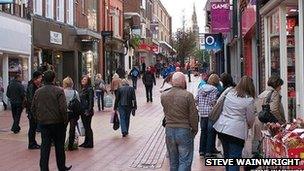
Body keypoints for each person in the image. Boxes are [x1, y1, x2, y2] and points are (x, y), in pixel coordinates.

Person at [31, 70, 72, 171]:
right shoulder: (59, 91)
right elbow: (63, 108)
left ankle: (44, 168)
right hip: (58, 123)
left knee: (45, 147)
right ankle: (61, 167)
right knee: (59, 147)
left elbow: (33, 108)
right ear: (53, 79)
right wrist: (65, 121)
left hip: (44, 123)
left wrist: (38, 119)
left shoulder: (38, 91)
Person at [213, 76, 256, 171]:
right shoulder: (249, 100)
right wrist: (248, 126)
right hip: (237, 133)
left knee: (227, 156)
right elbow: (250, 119)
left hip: (223, 128)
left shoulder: (229, 92)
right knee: (234, 158)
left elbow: (220, 104)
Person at [161, 72, 199, 171]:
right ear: (182, 82)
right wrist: (194, 130)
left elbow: (166, 112)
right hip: (184, 130)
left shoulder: (164, 95)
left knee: (173, 162)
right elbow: (193, 115)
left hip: (169, 130)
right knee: (185, 160)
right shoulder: (188, 95)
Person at [253, 75, 286, 154]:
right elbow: (274, 109)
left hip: (261, 122)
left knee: (264, 146)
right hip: (271, 123)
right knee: (273, 147)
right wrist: (280, 121)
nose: (280, 88)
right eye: (280, 86)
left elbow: (256, 108)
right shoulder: (274, 93)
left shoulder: (263, 93)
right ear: (276, 85)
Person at [196, 74, 220, 158]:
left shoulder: (201, 88)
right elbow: (214, 102)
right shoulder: (215, 90)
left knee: (203, 131)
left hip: (202, 113)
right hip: (211, 113)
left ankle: (201, 150)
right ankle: (208, 152)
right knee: (210, 132)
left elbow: (196, 99)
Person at [26, 71, 43, 149]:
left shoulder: (35, 86)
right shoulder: (32, 87)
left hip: (34, 111)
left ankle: (33, 142)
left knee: (33, 127)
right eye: (40, 77)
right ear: (36, 78)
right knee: (32, 128)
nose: (41, 79)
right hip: (32, 111)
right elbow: (31, 99)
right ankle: (31, 143)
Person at [63, 77, 80, 151]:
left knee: (63, 128)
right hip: (73, 113)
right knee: (72, 129)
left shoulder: (62, 92)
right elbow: (78, 102)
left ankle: (61, 143)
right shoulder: (75, 92)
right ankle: (70, 145)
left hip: (65, 113)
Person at [79, 75, 94, 148]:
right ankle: (86, 142)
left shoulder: (89, 89)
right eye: (82, 79)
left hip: (86, 110)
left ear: (88, 81)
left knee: (87, 127)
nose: (83, 80)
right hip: (83, 110)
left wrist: (89, 110)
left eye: (85, 79)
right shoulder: (83, 89)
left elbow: (91, 100)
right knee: (86, 126)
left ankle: (90, 143)